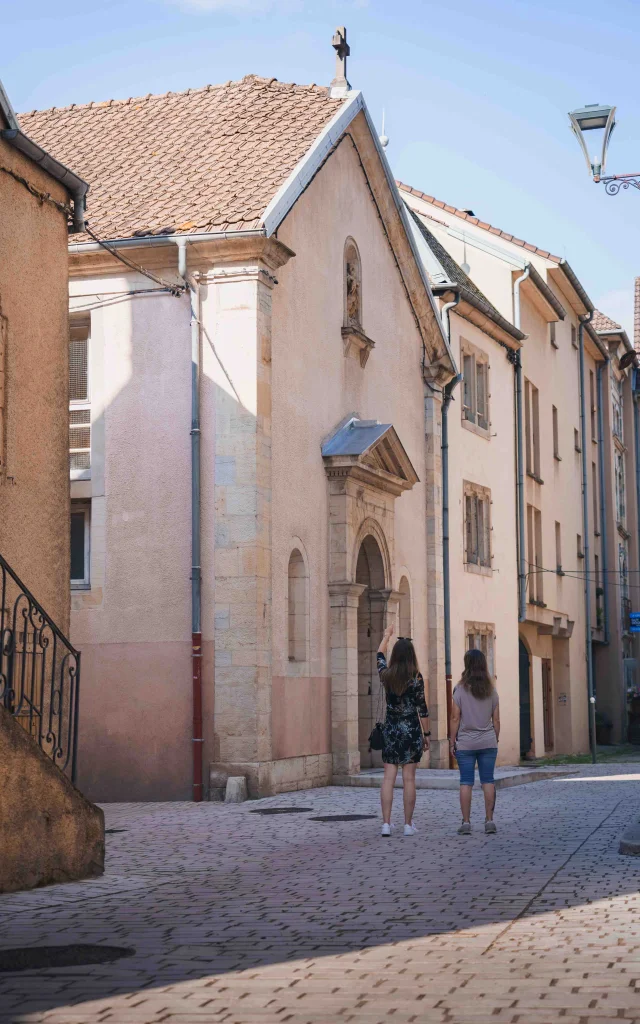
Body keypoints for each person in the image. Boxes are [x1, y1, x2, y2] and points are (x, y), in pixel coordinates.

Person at [376, 626, 430, 837]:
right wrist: (427, 736)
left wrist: (386, 636)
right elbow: (422, 709)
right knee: (409, 779)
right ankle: (408, 825)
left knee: (388, 778)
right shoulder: (416, 678)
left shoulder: (386, 675)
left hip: (391, 731)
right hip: (411, 732)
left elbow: (379, 655)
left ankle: (386, 824)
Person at [449, 648, 500, 835]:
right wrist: (495, 737)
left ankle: (466, 822)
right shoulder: (491, 690)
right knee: (488, 780)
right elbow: (497, 720)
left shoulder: (460, 689)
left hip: (466, 743)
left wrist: (452, 740)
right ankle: (489, 821)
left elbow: (455, 717)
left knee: (466, 782)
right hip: (488, 741)